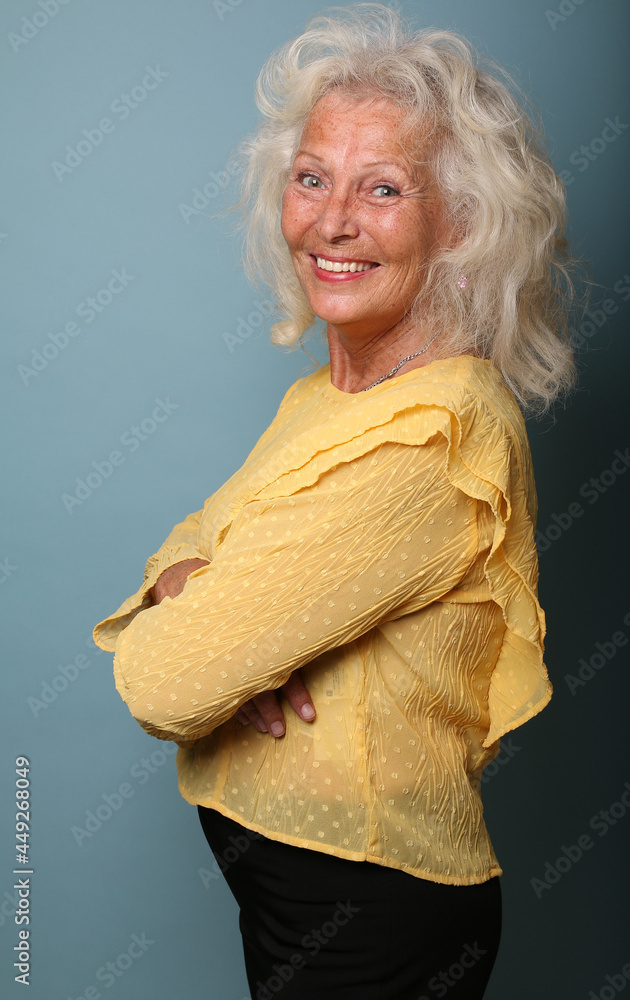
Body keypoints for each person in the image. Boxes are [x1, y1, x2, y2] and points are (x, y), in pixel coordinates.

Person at [93, 5, 578, 997]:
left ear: (463, 222)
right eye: (312, 177)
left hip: (368, 904)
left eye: (384, 188)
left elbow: (166, 683)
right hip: (289, 887)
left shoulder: (433, 437)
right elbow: (194, 540)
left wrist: (224, 633)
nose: (331, 221)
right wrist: (208, 588)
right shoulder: (328, 401)